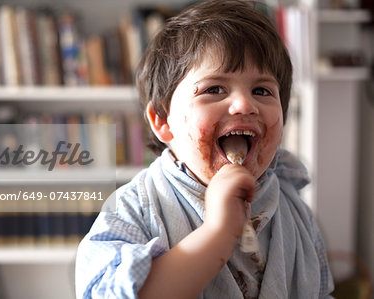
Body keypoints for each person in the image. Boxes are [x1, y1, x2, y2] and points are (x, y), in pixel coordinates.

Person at [75, 0, 334, 298]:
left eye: (261, 90)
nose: (244, 104)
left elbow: (320, 290)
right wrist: (218, 234)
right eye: (214, 89)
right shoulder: (135, 209)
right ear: (162, 121)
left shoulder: (293, 208)